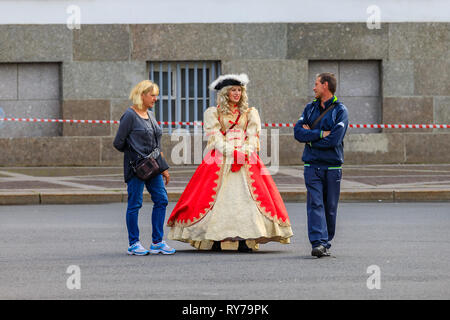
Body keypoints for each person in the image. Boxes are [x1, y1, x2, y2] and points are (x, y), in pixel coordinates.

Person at [167, 73, 293, 252]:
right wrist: (232, 152)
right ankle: (216, 239)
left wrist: (244, 152)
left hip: (246, 160)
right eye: (233, 90)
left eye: (239, 90)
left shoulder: (250, 113)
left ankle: (245, 240)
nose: (237, 93)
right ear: (225, 93)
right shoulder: (213, 113)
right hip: (220, 159)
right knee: (217, 201)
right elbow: (215, 138)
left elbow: (253, 136)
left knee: (248, 201)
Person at [113, 80, 176, 256]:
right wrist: (136, 155)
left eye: (156, 95)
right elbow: (118, 143)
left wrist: (163, 167)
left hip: (154, 167)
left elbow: (157, 144)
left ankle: (157, 241)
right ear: (142, 95)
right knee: (135, 204)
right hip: (137, 169)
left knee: (162, 200)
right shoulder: (130, 115)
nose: (156, 98)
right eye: (152, 95)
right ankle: (134, 243)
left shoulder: (149, 114)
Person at [294, 72, 348, 258]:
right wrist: (320, 134)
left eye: (316, 84)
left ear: (325, 85)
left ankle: (326, 241)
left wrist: (311, 139)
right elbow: (298, 133)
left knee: (330, 207)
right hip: (312, 166)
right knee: (315, 204)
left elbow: (334, 140)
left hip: (333, 168)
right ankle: (318, 243)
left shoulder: (340, 110)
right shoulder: (309, 109)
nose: (313, 87)